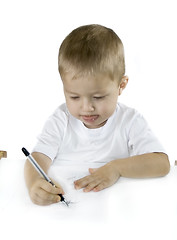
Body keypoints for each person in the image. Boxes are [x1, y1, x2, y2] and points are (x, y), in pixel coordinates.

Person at [24, 24, 170, 205]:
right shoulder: (61, 119)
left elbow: (162, 163)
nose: (87, 107)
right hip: (66, 208)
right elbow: (37, 158)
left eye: (98, 97)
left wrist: (116, 168)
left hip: (117, 208)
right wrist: (34, 183)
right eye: (74, 97)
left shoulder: (130, 121)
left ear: (121, 86)